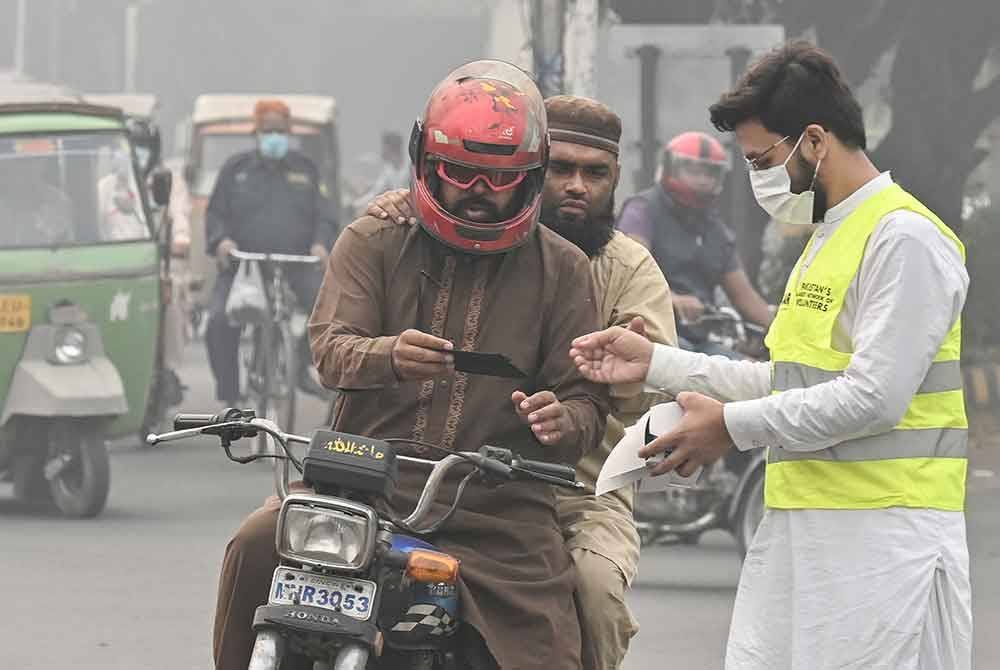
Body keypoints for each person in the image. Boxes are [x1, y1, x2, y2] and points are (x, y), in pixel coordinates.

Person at [570, 41, 972, 670]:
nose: (758, 177)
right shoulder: (827, 237)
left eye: (762, 160)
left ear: (814, 142)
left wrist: (727, 428)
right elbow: (785, 379)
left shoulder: (905, 240)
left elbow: (875, 397)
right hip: (804, 533)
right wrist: (656, 364)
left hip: (883, 546)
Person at [212, 61, 609, 670]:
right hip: (359, 487)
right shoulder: (375, 236)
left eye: (500, 178)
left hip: (497, 508)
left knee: (548, 650)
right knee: (252, 545)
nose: (480, 191)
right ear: (425, 162)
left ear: (530, 178)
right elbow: (328, 349)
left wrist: (562, 417)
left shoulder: (564, 269)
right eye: (461, 173)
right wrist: (386, 356)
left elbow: (586, 401)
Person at [367, 94, 678, 670]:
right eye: (561, 169)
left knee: (595, 591)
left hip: (578, 491)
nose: (577, 187)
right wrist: (402, 206)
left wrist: (625, 368)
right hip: (448, 477)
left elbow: (660, 394)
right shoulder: (459, 239)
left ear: (616, 180)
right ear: (530, 171)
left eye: (595, 173)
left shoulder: (629, 270)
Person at [204, 98, 334, 407]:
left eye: (279, 130)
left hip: (297, 264)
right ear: (257, 132)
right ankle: (231, 397)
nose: (273, 135)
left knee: (331, 313)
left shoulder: (307, 170)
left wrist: (321, 243)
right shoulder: (235, 170)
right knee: (218, 322)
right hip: (243, 267)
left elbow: (325, 215)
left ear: (288, 132)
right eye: (267, 130)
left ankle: (301, 364)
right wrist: (221, 241)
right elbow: (215, 214)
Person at [616, 130, 773, 355]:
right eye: (693, 170)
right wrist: (672, 298)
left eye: (710, 172)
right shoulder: (642, 210)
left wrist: (782, 331)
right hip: (651, 333)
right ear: (670, 168)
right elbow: (630, 273)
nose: (702, 179)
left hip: (700, 341)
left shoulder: (715, 228)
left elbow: (746, 298)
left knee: (743, 370)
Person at [0, 153, 73, 246]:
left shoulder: (57, 200)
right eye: (19, 162)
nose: (25, 169)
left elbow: (65, 245)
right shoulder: (3, 200)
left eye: (31, 162)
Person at [351, 130, 410, 213]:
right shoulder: (388, 170)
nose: (383, 151)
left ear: (392, 148)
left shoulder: (411, 166)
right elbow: (375, 192)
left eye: (385, 148)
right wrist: (354, 205)